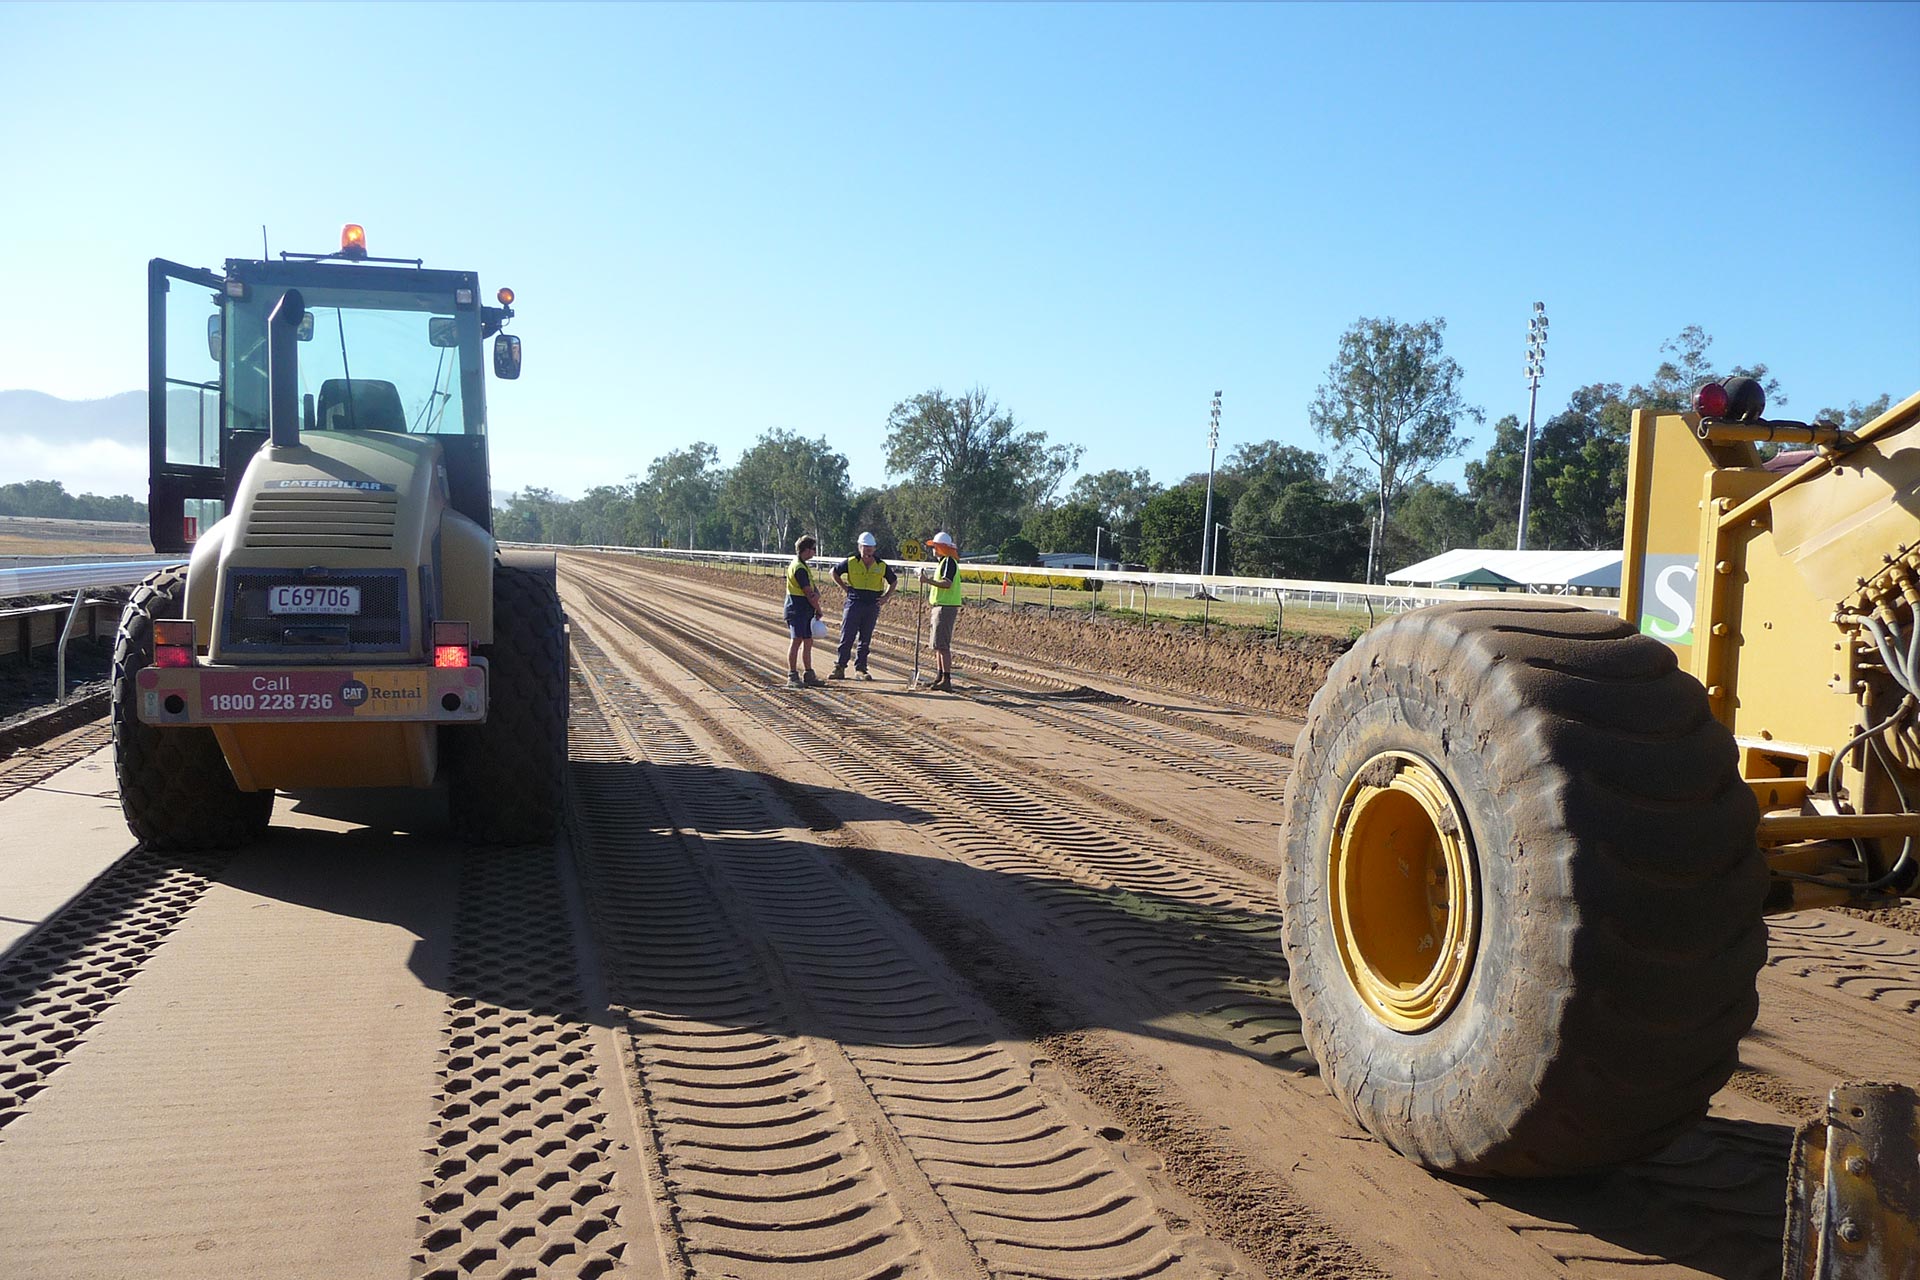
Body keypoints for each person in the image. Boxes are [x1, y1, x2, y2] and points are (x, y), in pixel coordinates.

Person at [829, 531, 897, 680]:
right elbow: (833, 572)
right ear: (859, 547)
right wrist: (845, 588)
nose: (868, 551)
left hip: (872, 605)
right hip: (854, 602)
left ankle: (861, 669)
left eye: (870, 548)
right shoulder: (851, 561)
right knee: (847, 636)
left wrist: (886, 597)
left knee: (865, 639)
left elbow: (893, 581)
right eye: (865, 548)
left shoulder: (881, 565)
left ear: (874, 549)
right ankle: (840, 667)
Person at [920, 530, 962, 692]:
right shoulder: (944, 562)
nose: (933, 550)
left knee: (942, 645)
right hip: (940, 606)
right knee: (937, 644)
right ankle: (939, 676)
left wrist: (927, 580)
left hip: (946, 606)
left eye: (935, 547)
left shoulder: (949, 563)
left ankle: (946, 678)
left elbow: (947, 583)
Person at [783, 535, 826, 688]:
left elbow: (813, 589)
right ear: (806, 550)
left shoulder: (802, 565)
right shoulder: (799, 568)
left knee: (808, 641)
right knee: (796, 641)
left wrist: (816, 597)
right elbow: (809, 593)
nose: (814, 552)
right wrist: (818, 609)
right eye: (813, 549)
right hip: (797, 609)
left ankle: (809, 674)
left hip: (803, 609)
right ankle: (792, 676)